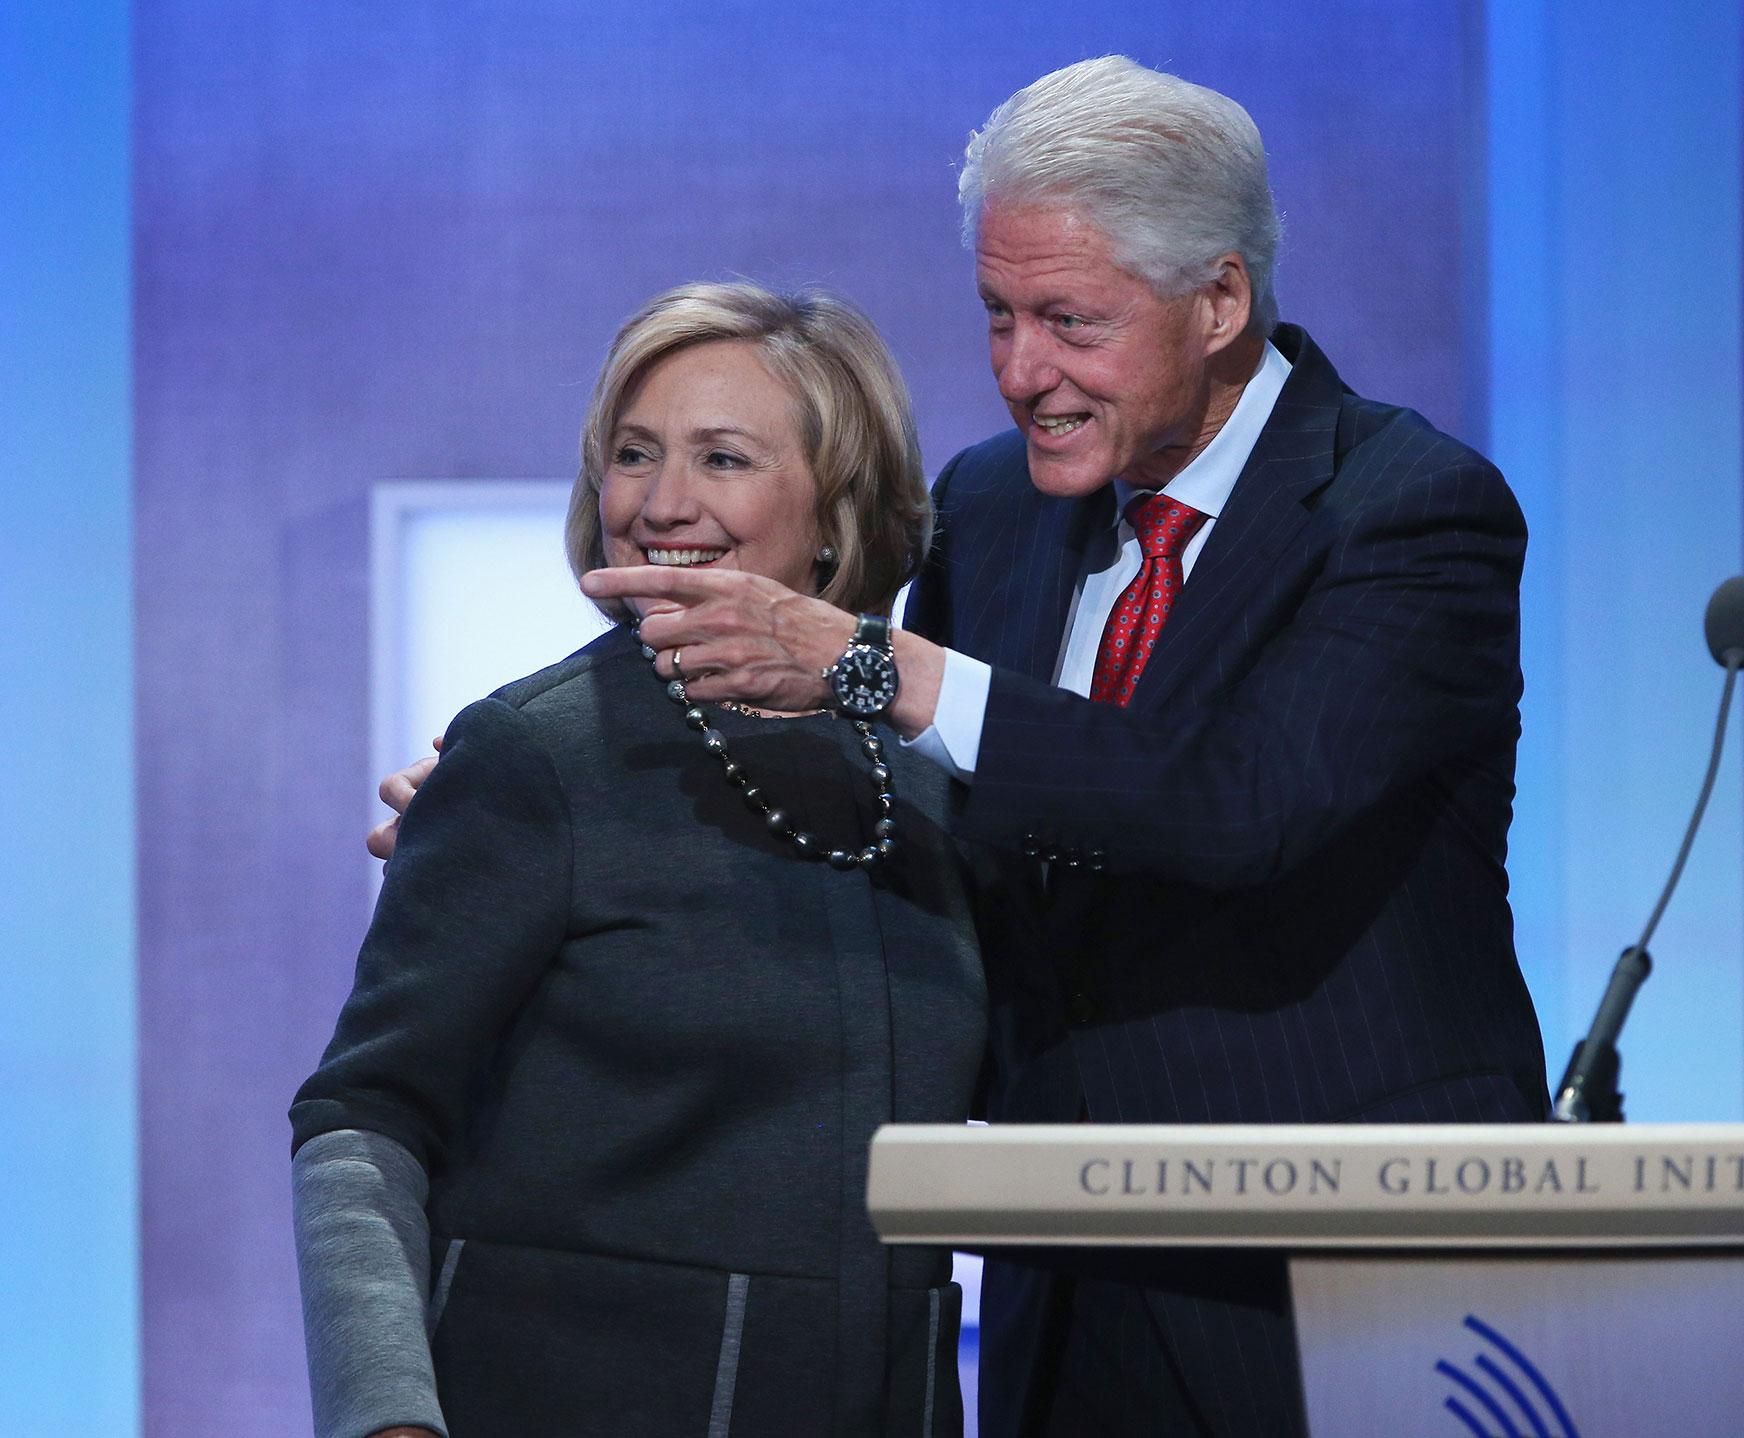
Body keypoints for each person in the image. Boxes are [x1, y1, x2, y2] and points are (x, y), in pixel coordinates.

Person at [379, 56, 1547, 1438]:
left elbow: (1242, 806)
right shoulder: (995, 511)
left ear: (1220, 300)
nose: (1017, 373)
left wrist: (892, 669)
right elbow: (933, 828)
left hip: (1353, 1281)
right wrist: (556, 796)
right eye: (997, 315)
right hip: (1069, 1281)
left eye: (1069, 321)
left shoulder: (1408, 512)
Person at [296, 282, 985, 1438]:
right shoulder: (534, 751)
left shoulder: (929, 779)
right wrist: (387, 1421)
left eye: (721, 459)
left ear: (835, 507)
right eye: (631, 454)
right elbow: (364, 1113)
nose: (661, 504)